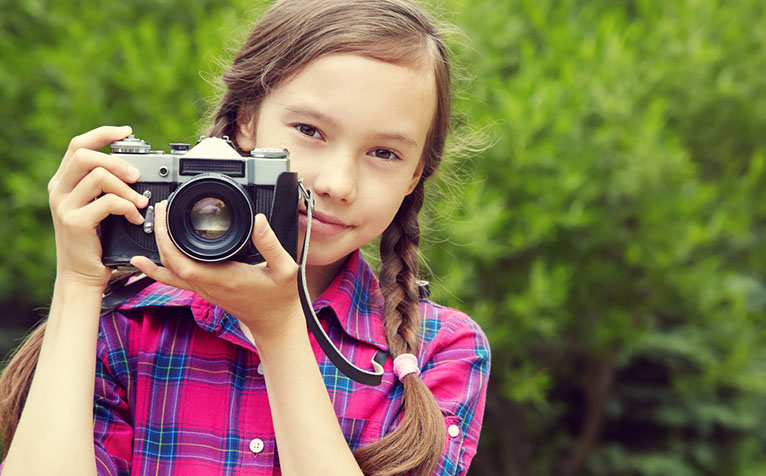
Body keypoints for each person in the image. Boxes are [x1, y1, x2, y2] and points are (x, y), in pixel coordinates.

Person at [0, 0, 490, 475]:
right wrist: (79, 285)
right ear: (247, 119)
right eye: (309, 130)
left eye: (384, 153)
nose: (338, 184)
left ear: (414, 176)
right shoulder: (127, 327)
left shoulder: (439, 352)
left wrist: (279, 331)